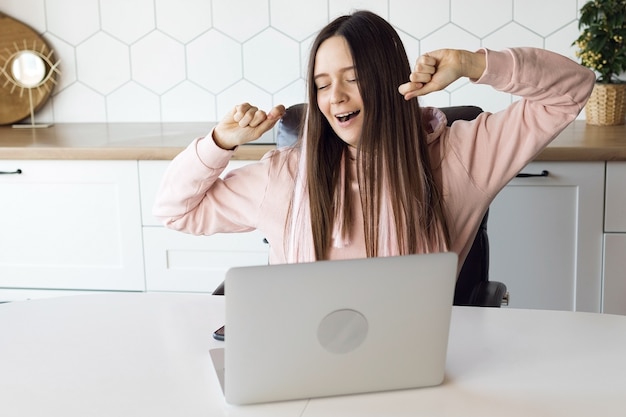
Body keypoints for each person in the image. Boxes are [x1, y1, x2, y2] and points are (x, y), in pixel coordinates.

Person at [153, 10, 595, 272]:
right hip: (306, 369)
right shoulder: (286, 174)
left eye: (354, 78)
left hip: (416, 367)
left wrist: (471, 63)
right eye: (322, 85)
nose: (336, 97)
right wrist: (217, 143)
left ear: (388, 79)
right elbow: (176, 212)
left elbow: (571, 90)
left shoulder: (460, 157)